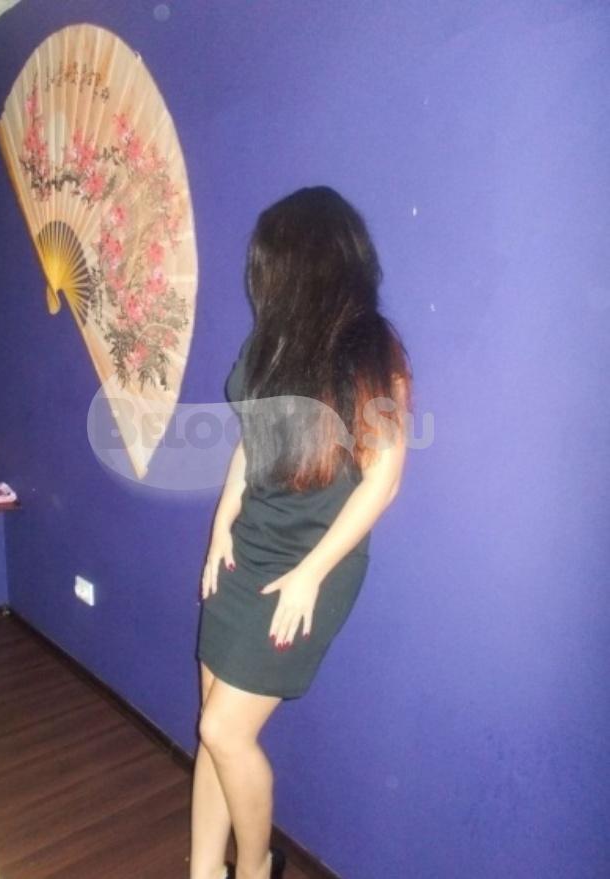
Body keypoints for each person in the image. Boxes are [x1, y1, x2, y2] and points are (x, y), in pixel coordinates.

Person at [190, 186, 413, 879]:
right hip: (247, 546)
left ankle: (256, 867)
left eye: (272, 261)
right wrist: (221, 525)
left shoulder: (370, 350)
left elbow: (383, 479)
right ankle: (204, 871)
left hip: (313, 562)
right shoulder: (273, 341)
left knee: (223, 729)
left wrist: (312, 572)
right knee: (211, 728)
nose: (260, 275)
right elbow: (251, 442)